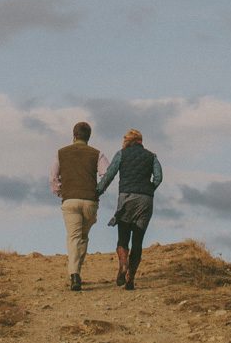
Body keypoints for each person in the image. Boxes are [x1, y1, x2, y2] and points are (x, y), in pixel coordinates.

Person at [95, 127, 162, 290]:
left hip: (126, 199)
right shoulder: (152, 156)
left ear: (127, 141)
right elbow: (159, 178)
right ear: (140, 141)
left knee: (123, 238)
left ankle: (123, 264)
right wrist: (148, 189)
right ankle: (130, 278)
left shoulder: (121, 154)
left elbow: (109, 174)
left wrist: (97, 191)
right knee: (137, 241)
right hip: (145, 201)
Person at [49, 120, 105, 291]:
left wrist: (60, 191)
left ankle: (74, 274)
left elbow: (53, 177)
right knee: (83, 237)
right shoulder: (97, 154)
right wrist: (97, 191)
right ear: (89, 137)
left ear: (74, 136)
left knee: (74, 237)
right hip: (89, 200)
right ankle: (76, 272)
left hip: (70, 200)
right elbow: (106, 174)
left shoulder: (61, 153)